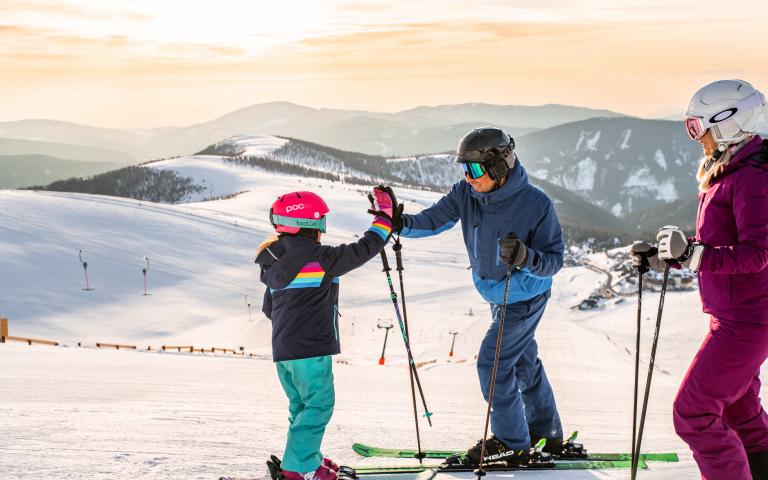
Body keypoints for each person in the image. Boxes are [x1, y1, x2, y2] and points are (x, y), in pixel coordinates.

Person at [393, 126, 565, 464]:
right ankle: (547, 432)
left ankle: (511, 441)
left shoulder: (536, 204)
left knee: (493, 362)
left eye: (473, 168)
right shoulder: (467, 193)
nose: (468, 177)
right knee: (523, 361)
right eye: (464, 168)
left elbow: (554, 261)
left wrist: (526, 257)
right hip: (495, 295)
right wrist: (397, 223)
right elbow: (433, 220)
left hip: (525, 297)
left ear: (498, 166)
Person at [630, 79, 768, 480]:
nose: (696, 138)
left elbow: (758, 253)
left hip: (746, 321)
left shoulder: (753, 178)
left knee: (693, 413)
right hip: (737, 316)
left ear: (727, 123)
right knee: (741, 411)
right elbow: (720, 243)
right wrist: (669, 255)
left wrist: (694, 255)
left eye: (697, 128)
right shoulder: (733, 169)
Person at [255, 188, 399, 480]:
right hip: (311, 349)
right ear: (311, 224)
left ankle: (304, 457)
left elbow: (269, 308)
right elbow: (364, 248)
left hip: (284, 352)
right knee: (319, 405)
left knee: (301, 406)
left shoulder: (274, 262)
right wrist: (385, 219)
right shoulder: (321, 258)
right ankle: (299, 467)